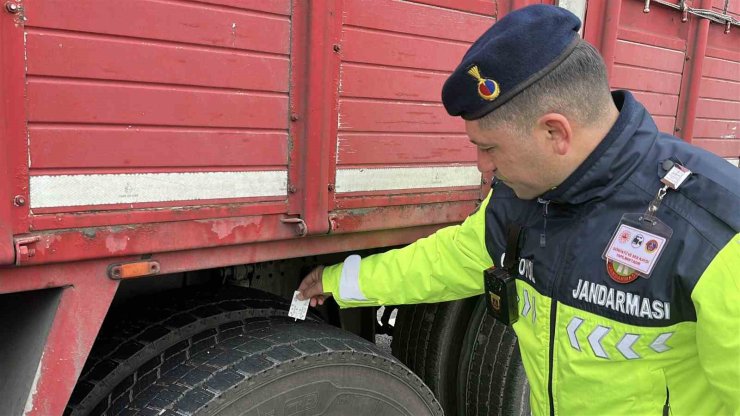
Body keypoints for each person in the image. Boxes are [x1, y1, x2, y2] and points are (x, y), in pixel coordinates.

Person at [298, 4, 740, 415]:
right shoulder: (522, 197)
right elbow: (446, 261)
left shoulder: (712, 231)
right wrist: (338, 280)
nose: (482, 166)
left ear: (555, 132)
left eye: (489, 148)